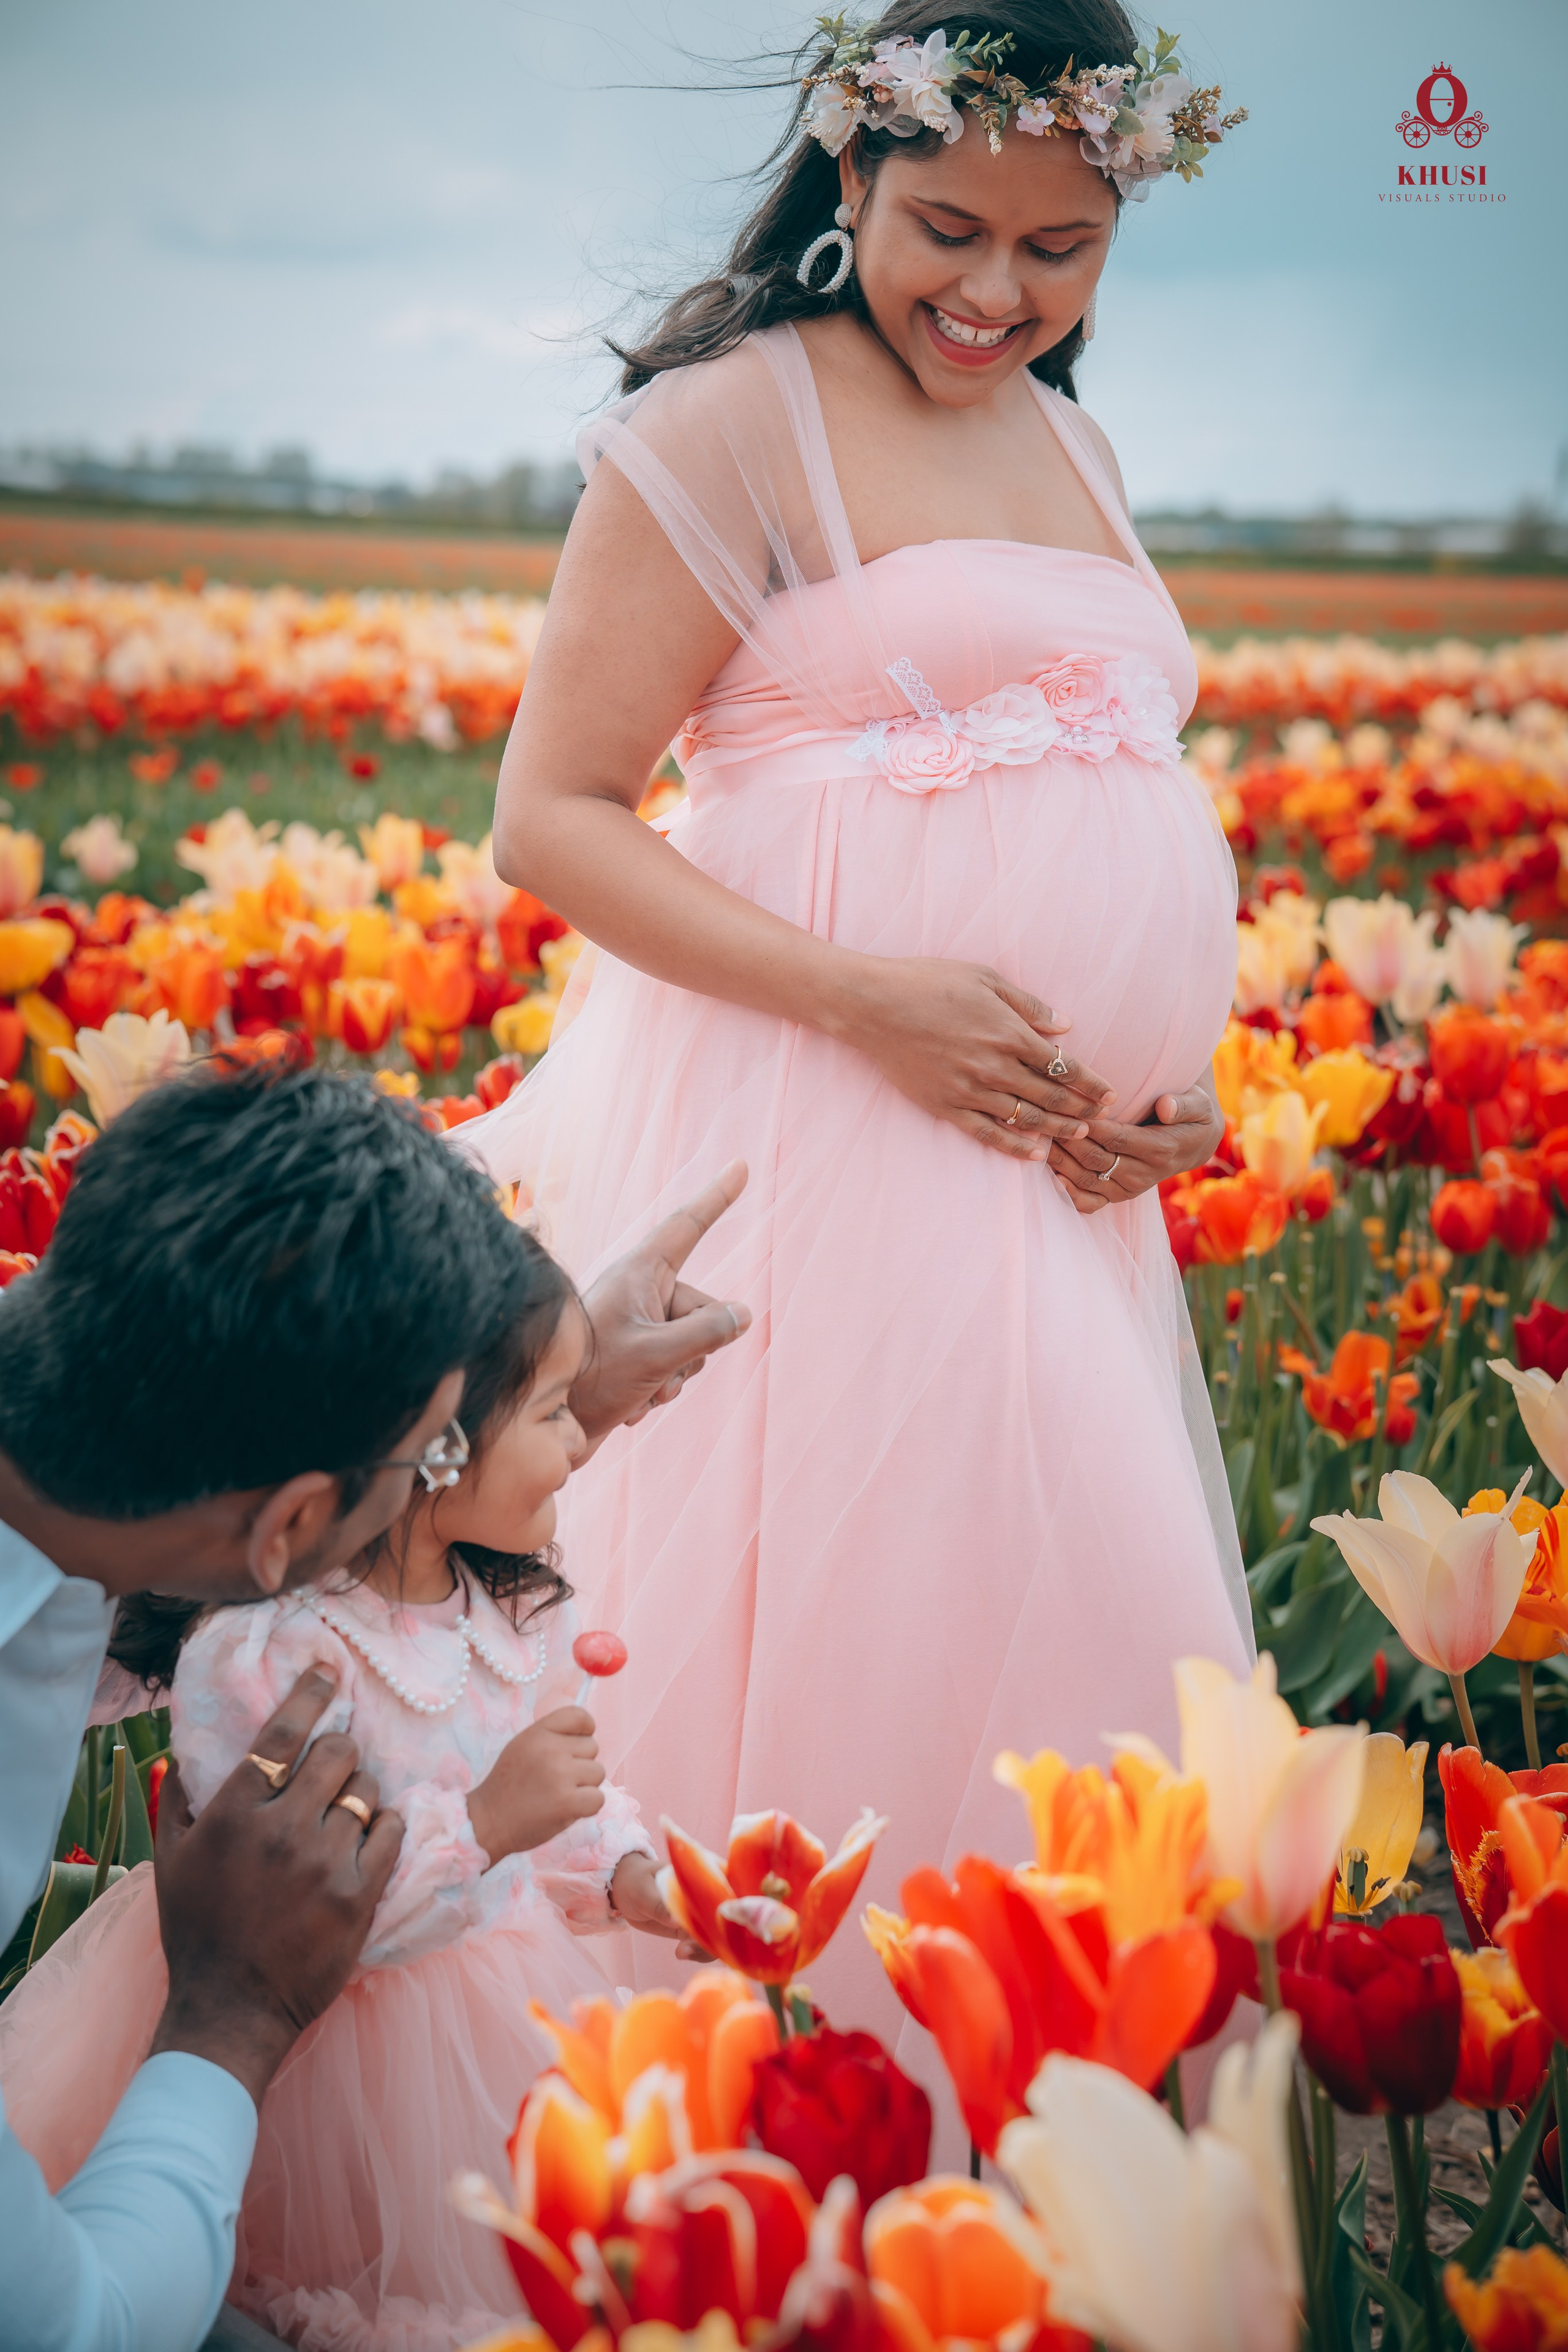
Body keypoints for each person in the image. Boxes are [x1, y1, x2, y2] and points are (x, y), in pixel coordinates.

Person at [457, 0, 1254, 2065]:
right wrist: (869, 1002)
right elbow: (548, 816)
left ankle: (1006, 2153)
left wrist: (1174, 1090)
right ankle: (737, 2134)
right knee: (849, 1633)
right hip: (822, 1136)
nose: (996, 292)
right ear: (851, 170)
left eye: (1058, 248)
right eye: (949, 227)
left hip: (1064, 1202)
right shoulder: (735, 416)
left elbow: (1115, 793)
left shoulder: (1074, 443)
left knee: (1074, 1648)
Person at [0, 1064, 749, 2352]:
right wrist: (232, 2017)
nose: (435, 1483)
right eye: (431, 1453)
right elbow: (72, 2328)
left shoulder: (73, 1452)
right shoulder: (257, 1655)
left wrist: (558, 1390)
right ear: (299, 1525)